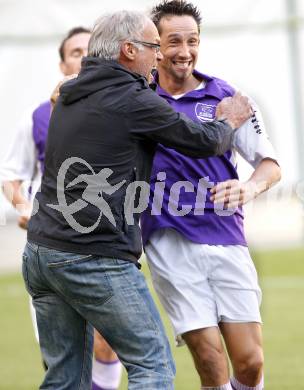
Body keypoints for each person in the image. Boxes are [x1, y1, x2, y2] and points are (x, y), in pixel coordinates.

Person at [21, 10, 252, 390]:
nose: (160, 57)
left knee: (64, 378)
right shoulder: (132, 99)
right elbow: (203, 140)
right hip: (93, 255)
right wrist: (229, 121)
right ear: (128, 50)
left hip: (42, 253)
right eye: (153, 48)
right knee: (153, 365)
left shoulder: (70, 93)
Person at [141, 2, 281, 390]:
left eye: (192, 41)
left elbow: (271, 165)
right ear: (155, 46)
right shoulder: (138, 101)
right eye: (173, 42)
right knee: (209, 360)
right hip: (169, 244)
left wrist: (248, 187)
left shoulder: (228, 98)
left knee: (250, 364)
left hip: (226, 239)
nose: (184, 51)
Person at [0, 26, 122, 390]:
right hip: (50, 249)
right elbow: (11, 174)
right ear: (62, 63)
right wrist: (22, 205)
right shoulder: (37, 117)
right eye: (75, 52)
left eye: (91, 51)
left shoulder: (121, 111)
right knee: (63, 358)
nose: (84, 58)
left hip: (103, 248)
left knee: (106, 342)